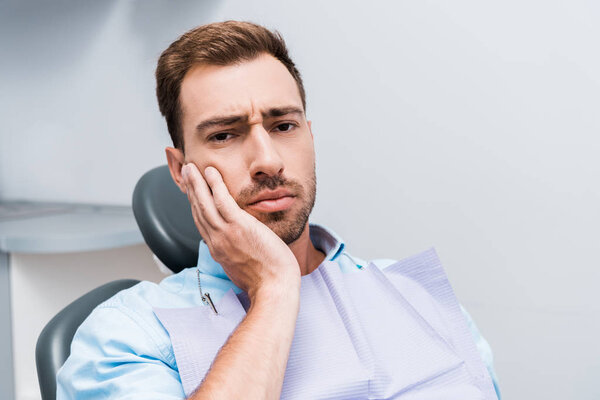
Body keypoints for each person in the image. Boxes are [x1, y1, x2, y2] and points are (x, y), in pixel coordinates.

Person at [57, 21, 501, 399]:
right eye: (225, 135)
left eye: (283, 126)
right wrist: (274, 287)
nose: (267, 160)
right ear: (180, 169)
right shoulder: (127, 336)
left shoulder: (415, 299)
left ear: (309, 136)